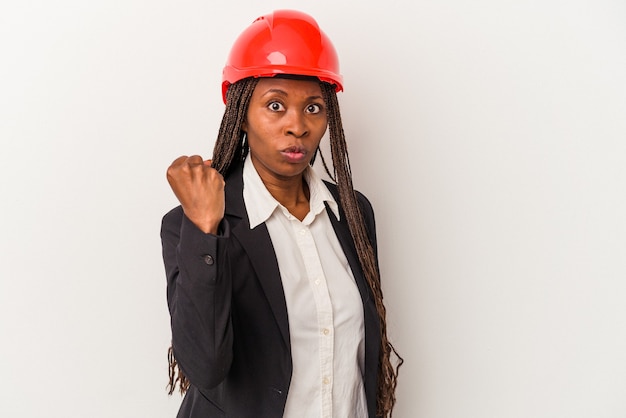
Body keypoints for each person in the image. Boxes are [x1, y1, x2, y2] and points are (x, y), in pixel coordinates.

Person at [161, 9, 402, 418]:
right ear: (240, 115)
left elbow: (362, 357)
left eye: (313, 108)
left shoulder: (354, 214)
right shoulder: (192, 222)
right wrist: (204, 229)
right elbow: (204, 365)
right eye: (275, 105)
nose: (298, 126)